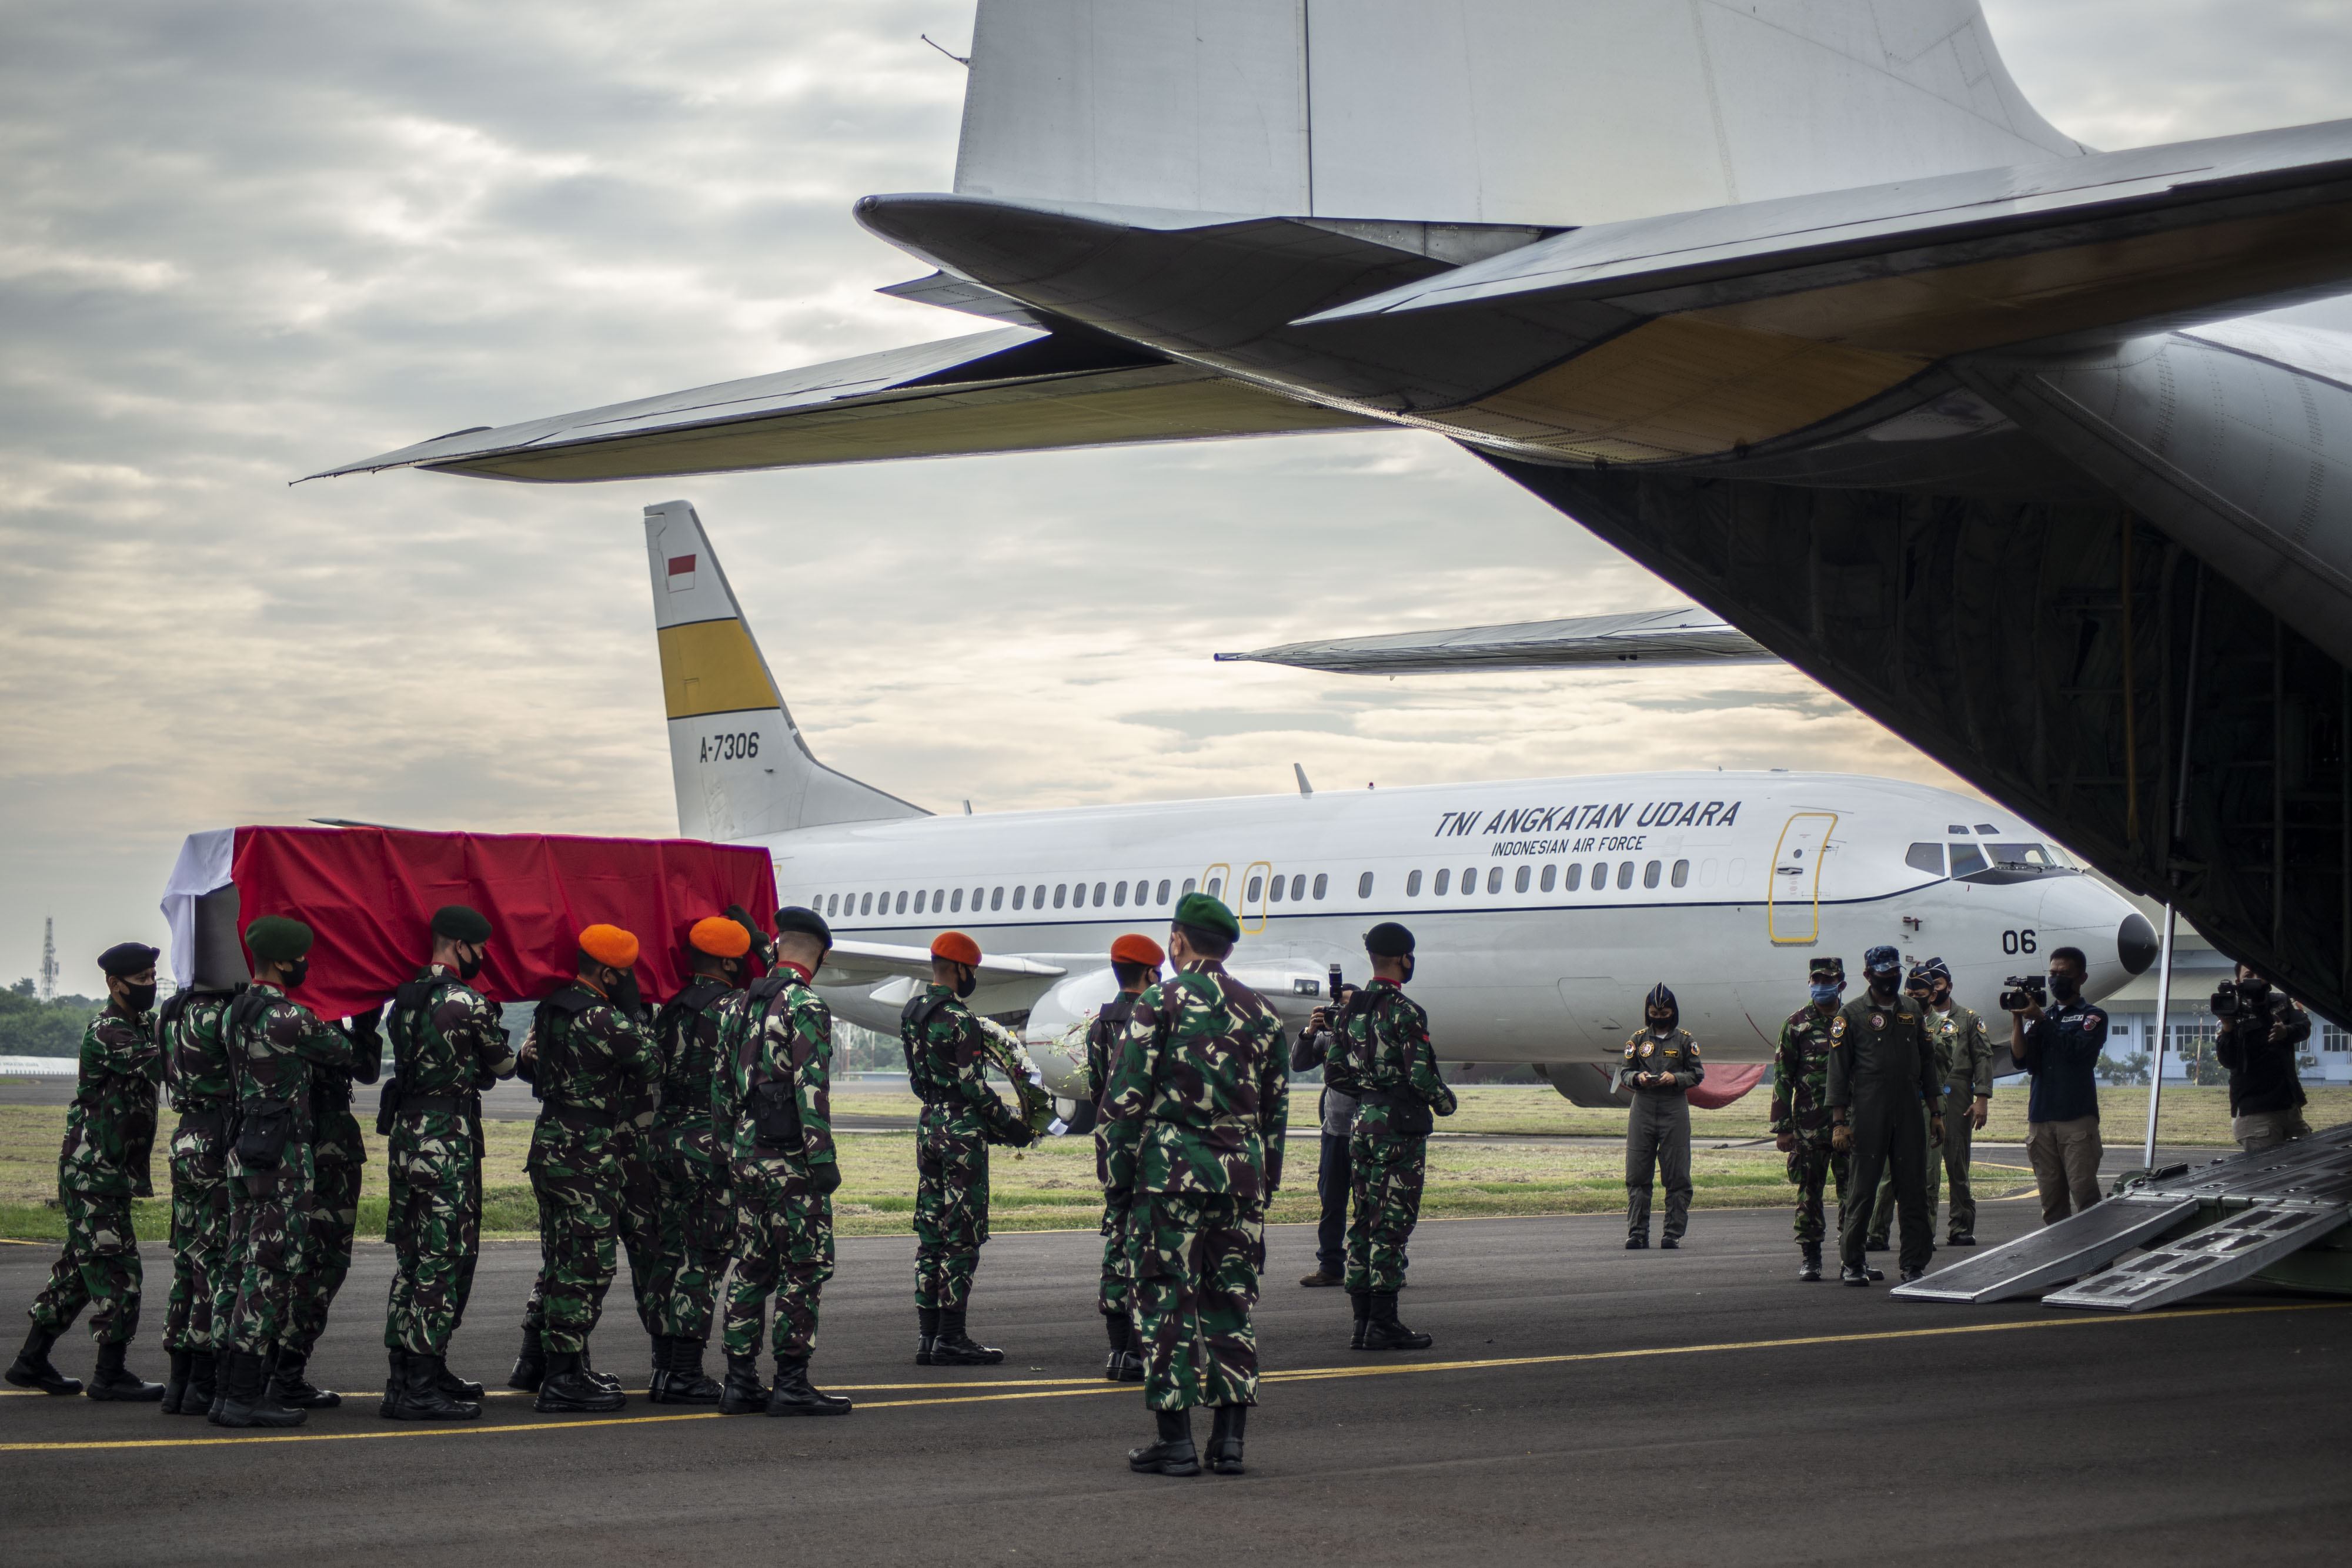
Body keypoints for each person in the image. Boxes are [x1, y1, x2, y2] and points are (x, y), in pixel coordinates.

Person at [1101, 892, 1287, 1478]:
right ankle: (1229, 1442)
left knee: (1165, 1302)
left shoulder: (1158, 1002)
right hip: (1239, 1179)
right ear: (1227, 947)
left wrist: (1117, 1184)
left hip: (1168, 1178)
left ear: (1177, 941)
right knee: (1231, 1302)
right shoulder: (1262, 1012)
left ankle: (1175, 1441)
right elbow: (1276, 1112)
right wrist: (1264, 1183)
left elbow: (1124, 1100)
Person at [215, 917, 358, 1427]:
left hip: (244, 1148)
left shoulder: (235, 1012)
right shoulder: (286, 1017)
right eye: (301, 958)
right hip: (282, 1157)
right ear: (282, 961)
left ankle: (226, 1390)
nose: (305, 965)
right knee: (269, 1269)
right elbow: (344, 1053)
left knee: (238, 1265)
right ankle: (244, 1397)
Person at [513, 924, 661, 1415]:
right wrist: (635, 1012)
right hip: (585, 1151)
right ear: (608, 973)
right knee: (587, 1265)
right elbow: (652, 1063)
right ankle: (562, 1379)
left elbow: (533, 1068)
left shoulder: (552, 1008)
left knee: (561, 1259)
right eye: (625, 973)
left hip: (551, 1141)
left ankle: (564, 1367)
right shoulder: (603, 1018)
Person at [7, 942, 166, 1402]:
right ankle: (109, 1374)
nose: (150, 985)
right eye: (141, 979)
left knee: (79, 1272)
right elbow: (162, 1063)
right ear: (115, 984)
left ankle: (31, 1360)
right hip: (92, 1172)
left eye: (153, 976)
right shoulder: (109, 1031)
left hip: (107, 1171)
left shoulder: (142, 1024)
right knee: (119, 1271)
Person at [379, 904, 517, 1420]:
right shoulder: (467, 1002)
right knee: (442, 1257)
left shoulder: (404, 1000)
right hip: (446, 1140)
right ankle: (420, 1383)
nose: (482, 956)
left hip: (406, 1137)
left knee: (412, 1258)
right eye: (479, 948)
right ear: (460, 945)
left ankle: (407, 1376)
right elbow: (503, 1066)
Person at [716, 905, 851, 1417]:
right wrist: (822, 1158)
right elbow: (810, 1086)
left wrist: (727, 1148)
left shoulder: (737, 1004)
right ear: (821, 955)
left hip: (745, 1152)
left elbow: (720, 1086)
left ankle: (739, 1381)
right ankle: (791, 1381)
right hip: (790, 1157)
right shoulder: (806, 1004)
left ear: (777, 946)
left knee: (752, 1264)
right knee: (804, 1265)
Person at [901, 931, 1035, 1365]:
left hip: (929, 1125)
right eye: (972, 970)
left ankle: (928, 1337)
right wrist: (1011, 1126)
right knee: (962, 1233)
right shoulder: (961, 1019)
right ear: (960, 969)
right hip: (961, 1133)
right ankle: (952, 1337)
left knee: (931, 1230)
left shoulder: (913, 1012)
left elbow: (917, 1081)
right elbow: (973, 1087)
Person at [1325, 922, 1454, 1351]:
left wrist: (1370, 1092)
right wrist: (1445, 1102)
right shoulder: (1405, 1011)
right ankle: (1383, 1322)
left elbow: (1334, 1072)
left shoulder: (1351, 1010)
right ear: (1404, 958)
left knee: (1363, 1220)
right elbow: (1421, 1076)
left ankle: (1361, 1322)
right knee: (1392, 1223)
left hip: (1363, 1124)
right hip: (1399, 1128)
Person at [643, 915, 756, 1405]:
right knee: (704, 1256)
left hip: (663, 1138)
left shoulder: (671, 1008)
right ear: (729, 962)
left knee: (668, 1252)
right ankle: (685, 1373)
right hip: (707, 1142)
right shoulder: (736, 1008)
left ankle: (664, 1368)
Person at [277, 959, 382, 1413]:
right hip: (320, 1149)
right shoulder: (302, 1016)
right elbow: (359, 1062)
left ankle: (276, 1367)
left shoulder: (299, 1011)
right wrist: (364, 1019)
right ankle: (283, 1371)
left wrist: (362, 1020)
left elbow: (366, 1070)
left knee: (310, 1262)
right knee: (321, 1262)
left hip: (312, 1147)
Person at [1073, 933, 1164, 1382]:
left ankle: (1116, 1349)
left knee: (1117, 1235)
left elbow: (1096, 1090)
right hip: (1150, 1143)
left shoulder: (1099, 1025)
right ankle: (1137, 1348)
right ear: (1150, 973)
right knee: (1148, 1241)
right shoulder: (1159, 1019)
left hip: (1111, 1143)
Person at [1828, 945, 1941, 1285]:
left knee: (1914, 1190)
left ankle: (1913, 1265)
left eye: (1894, 972)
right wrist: (1839, 1123)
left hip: (1909, 1111)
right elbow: (1838, 1073)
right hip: (1868, 1110)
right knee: (1862, 1190)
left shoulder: (1913, 1010)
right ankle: (1853, 1263)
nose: (1890, 978)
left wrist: (1936, 1112)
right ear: (1868, 975)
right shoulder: (1850, 1014)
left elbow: (1928, 1064)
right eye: (1883, 973)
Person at [153, 965, 237, 1415]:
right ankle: (203, 1379)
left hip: (185, 1138)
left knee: (186, 1262)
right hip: (217, 1141)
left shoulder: (172, 1012)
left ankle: (178, 1379)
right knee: (214, 1262)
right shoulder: (223, 1014)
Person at [2010, 945, 2106, 1223]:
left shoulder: (2093, 1016)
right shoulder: (2042, 1016)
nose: (2056, 979)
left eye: (2063, 974)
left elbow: (2077, 1051)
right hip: (2040, 1119)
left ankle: (2097, 1252)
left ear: (2081, 978)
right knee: (2051, 1202)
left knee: (2085, 1195)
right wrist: (2017, 1018)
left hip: (2075, 1118)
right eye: (2052, 974)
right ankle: (2058, 1252)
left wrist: (2041, 1019)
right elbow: (2021, 1060)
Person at [1769, 956, 1849, 1282]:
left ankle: (1851, 1258)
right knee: (1809, 1193)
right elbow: (1783, 1077)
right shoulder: (1796, 1024)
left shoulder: (1853, 1020)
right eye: (1816, 981)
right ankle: (1811, 1258)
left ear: (1841, 984)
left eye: (1828, 981)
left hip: (1849, 1125)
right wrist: (1783, 1128)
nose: (1821, 986)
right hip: (1808, 1126)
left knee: (1853, 1193)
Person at [1619, 983, 1703, 1250]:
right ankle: (1637, 1233)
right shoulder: (1637, 1040)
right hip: (1643, 1108)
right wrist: (1638, 1078)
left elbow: (1697, 1074)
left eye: (1664, 1013)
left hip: (1673, 1108)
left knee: (1677, 1175)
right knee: (1637, 1175)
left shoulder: (1686, 1041)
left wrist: (1675, 1078)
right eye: (1654, 1013)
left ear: (1673, 1012)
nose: (1659, 1017)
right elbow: (1625, 1072)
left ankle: (1672, 1233)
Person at [1916, 959, 1993, 1245]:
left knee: (1957, 1165)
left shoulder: (1969, 1019)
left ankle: (1961, 1226)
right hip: (1924, 1095)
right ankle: (1923, 1229)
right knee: (1925, 1168)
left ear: (1949, 986)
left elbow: (1983, 1057)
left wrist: (1982, 1099)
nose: (1934, 990)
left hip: (1958, 1094)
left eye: (1938, 984)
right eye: (1930, 985)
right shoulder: (1915, 1017)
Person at [1290, 972, 1357, 1293]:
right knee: (1331, 1202)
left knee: (1372, 1203)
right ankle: (1330, 1267)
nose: (1339, 1011)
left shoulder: (1371, 1033)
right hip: (1335, 1131)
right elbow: (1298, 1064)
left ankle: (1381, 1265)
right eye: (1336, 1006)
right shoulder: (1327, 1034)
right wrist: (1309, 1033)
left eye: (1346, 1006)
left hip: (1368, 1131)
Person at [2214, 964, 2313, 1153]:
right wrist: (2228, 1027)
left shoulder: (2282, 1002)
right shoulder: (2233, 1011)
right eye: (2249, 975)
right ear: (2238, 982)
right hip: (2256, 1113)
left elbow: (2305, 1026)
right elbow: (2227, 1060)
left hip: (2289, 1107)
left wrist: (2286, 1031)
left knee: (2307, 1163)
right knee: (2269, 1170)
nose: (2256, 979)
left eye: (2261, 973)